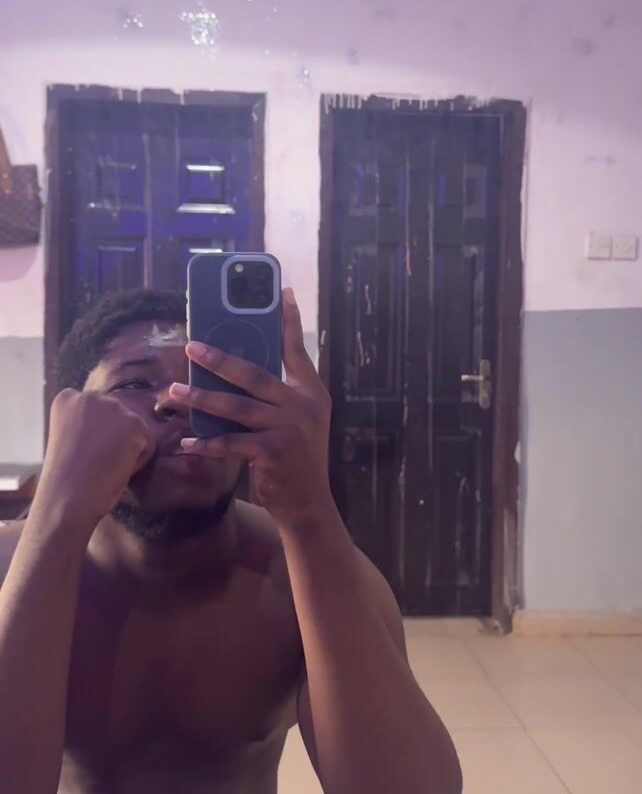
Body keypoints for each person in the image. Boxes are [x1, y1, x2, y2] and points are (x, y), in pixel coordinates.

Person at [0, 287, 462, 794]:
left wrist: (309, 510)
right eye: (134, 382)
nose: (178, 400)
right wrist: (58, 511)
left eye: (208, 383)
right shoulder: (10, 570)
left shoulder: (306, 580)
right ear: (70, 420)